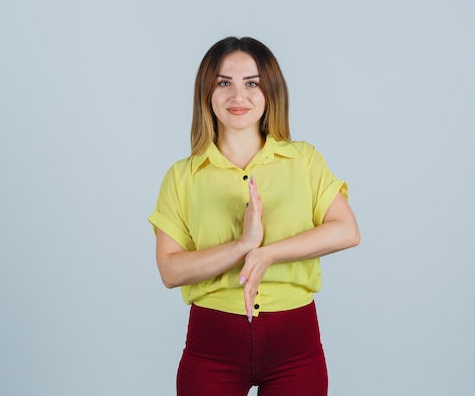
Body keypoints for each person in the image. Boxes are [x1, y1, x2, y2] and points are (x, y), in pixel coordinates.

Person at [148, 36, 360, 396]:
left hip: (296, 348)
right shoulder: (182, 177)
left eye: (252, 83)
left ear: (270, 92)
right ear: (207, 92)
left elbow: (346, 231)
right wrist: (243, 244)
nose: (238, 96)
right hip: (211, 348)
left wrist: (268, 252)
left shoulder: (304, 160)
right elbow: (170, 271)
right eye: (224, 83)